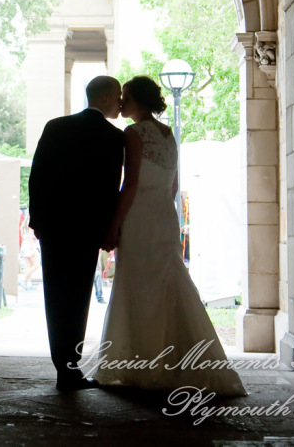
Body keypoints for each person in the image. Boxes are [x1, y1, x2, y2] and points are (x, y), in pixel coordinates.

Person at [92, 76, 246, 396]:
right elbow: (173, 185)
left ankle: (140, 363)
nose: (120, 102)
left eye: (125, 97)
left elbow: (130, 184)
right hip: (164, 217)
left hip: (140, 218)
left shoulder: (133, 133)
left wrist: (114, 224)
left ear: (137, 100)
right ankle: (178, 359)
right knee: (168, 283)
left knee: (136, 285)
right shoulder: (168, 134)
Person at [28, 76, 125, 391]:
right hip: (87, 230)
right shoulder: (114, 138)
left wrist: (37, 221)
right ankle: (70, 368)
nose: (121, 102)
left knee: (55, 297)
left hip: (54, 228)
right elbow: (111, 188)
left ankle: (62, 367)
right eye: (118, 96)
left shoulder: (56, 127)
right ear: (106, 98)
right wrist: (108, 230)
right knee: (79, 298)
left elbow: (37, 175)